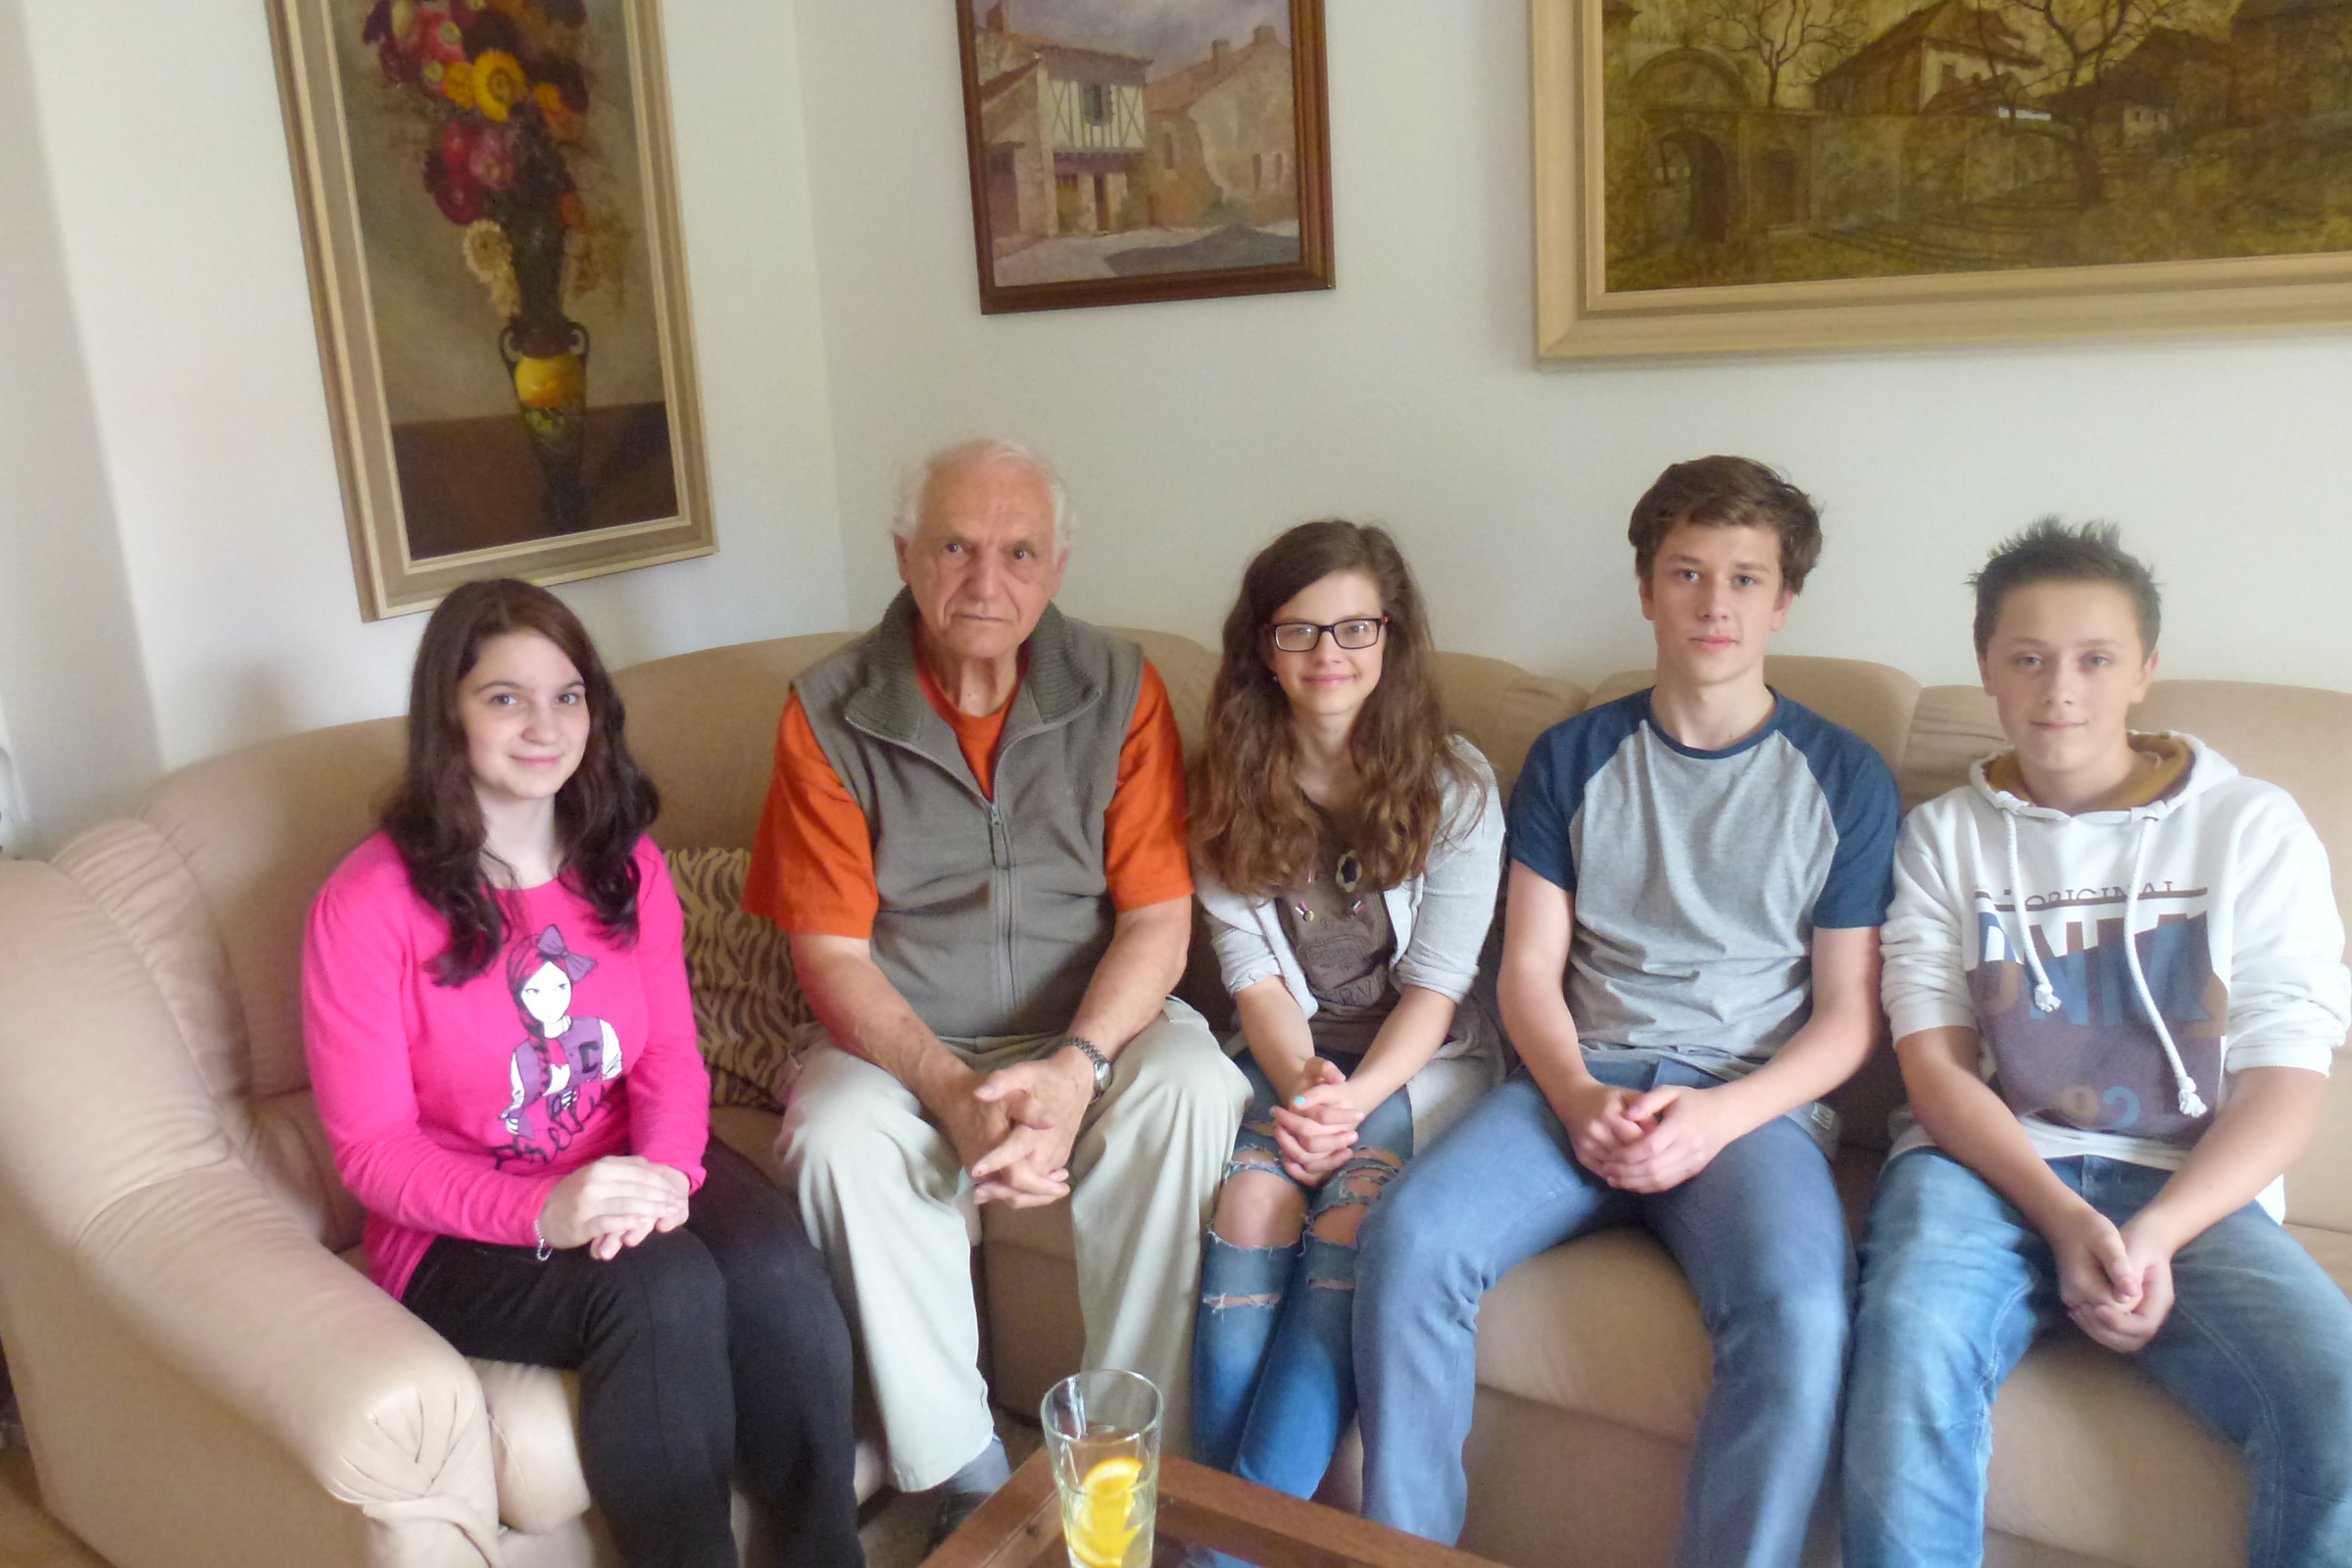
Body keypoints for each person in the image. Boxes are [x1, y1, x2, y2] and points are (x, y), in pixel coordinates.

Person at [1352, 457, 1897, 1567]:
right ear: (1646, 588)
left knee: (1803, 1313)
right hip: (1579, 1081)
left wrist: (1720, 1116)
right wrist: (1576, 1094)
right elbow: (1527, 973)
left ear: (1784, 601)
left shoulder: (1845, 776)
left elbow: (1849, 1018)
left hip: (1747, 1106)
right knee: (1410, 1237)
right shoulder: (1573, 756)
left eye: (1745, 578)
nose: (1714, 602)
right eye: (1687, 572)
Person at [304, 579, 863, 1568]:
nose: (545, 725)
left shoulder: (625, 864)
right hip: (455, 1229)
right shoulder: (368, 904)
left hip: (621, 1162)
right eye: (504, 697)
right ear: (448, 713)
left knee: (775, 1268)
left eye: (567, 696)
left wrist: (670, 1174)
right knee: (660, 1290)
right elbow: (374, 1153)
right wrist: (543, 1212)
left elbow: (668, 1055)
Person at [745, 439, 1250, 1534]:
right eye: (955, 548)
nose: (986, 581)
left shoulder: (1120, 687)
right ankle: (967, 1479)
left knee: (1197, 1087)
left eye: (1019, 552)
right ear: (904, 557)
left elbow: (1158, 922)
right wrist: (948, 1090)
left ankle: (1127, 1464)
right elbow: (830, 956)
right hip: (907, 1039)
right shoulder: (828, 709)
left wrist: (1074, 1071)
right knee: (833, 1136)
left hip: (1092, 1026)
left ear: (1057, 568)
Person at [1842, 520, 2352, 1568]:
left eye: (2095, 659)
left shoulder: (2253, 826)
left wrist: (2155, 1235)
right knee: (1908, 1355)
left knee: (2340, 1408)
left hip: (2190, 1181)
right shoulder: (1943, 835)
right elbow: (1933, 1064)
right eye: (2028, 658)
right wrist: (2064, 1214)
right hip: (1983, 1166)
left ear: (2145, 671)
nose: (2059, 689)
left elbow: (2290, 1076)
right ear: (1987, 666)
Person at [1187, 521, 1506, 1499]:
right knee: (1250, 1200)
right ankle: (1230, 1517)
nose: (1329, 653)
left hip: (1420, 1060)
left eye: (1355, 628)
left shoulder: (1456, 787)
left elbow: (1438, 986)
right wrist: (1303, 1085)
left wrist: (1352, 1102)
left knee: (1352, 1216)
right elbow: (1253, 976)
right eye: (1299, 629)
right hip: (1291, 1054)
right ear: (1262, 646)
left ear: (1390, 638)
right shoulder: (1221, 787)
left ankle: (1224, 1546)